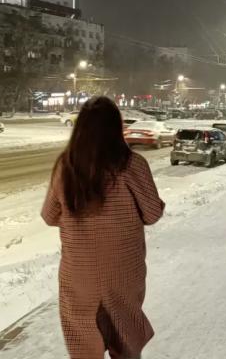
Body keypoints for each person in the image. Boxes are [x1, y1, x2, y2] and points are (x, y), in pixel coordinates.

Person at [42, 96, 165, 359]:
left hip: (79, 273)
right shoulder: (131, 165)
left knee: (84, 341)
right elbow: (153, 213)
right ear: (116, 127)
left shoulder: (67, 166)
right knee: (125, 338)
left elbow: (49, 216)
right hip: (123, 271)